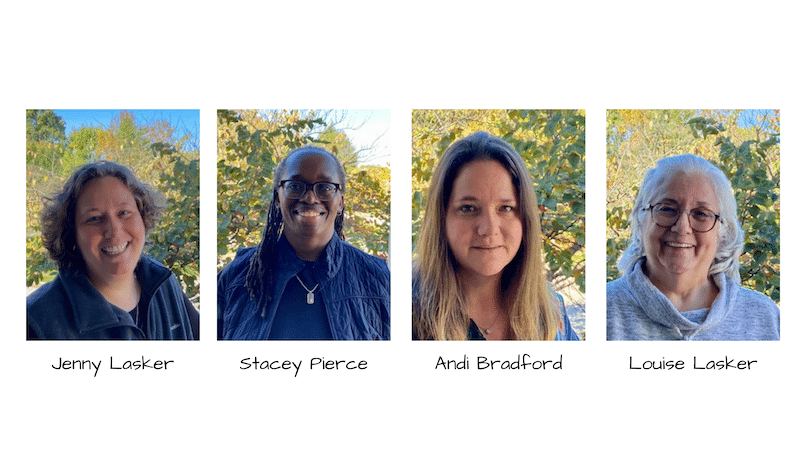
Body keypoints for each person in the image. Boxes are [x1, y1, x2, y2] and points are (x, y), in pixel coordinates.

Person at [412, 131, 579, 340]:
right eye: (468, 208)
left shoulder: (551, 311)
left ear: (525, 218)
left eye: (506, 208)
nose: (489, 228)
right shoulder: (397, 312)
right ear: (441, 218)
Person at [217, 146, 390, 340]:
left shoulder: (376, 277)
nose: (309, 198)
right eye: (295, 186)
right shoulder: (237, 276)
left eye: (325, 187)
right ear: (277, 198)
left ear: (340, 202)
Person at [607, 154, 780, 340]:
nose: (682, 227)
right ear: (641, 217)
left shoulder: (764, 317)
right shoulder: (604, 309)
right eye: (666, 208)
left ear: (723, 231)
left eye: (701, 214)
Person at [27, 161, 199, 340]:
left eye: (124, 213)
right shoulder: (35, 322)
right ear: (71, 234)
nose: (114, 231)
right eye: (94, 218)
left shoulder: (163, 283)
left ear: (143, 217)